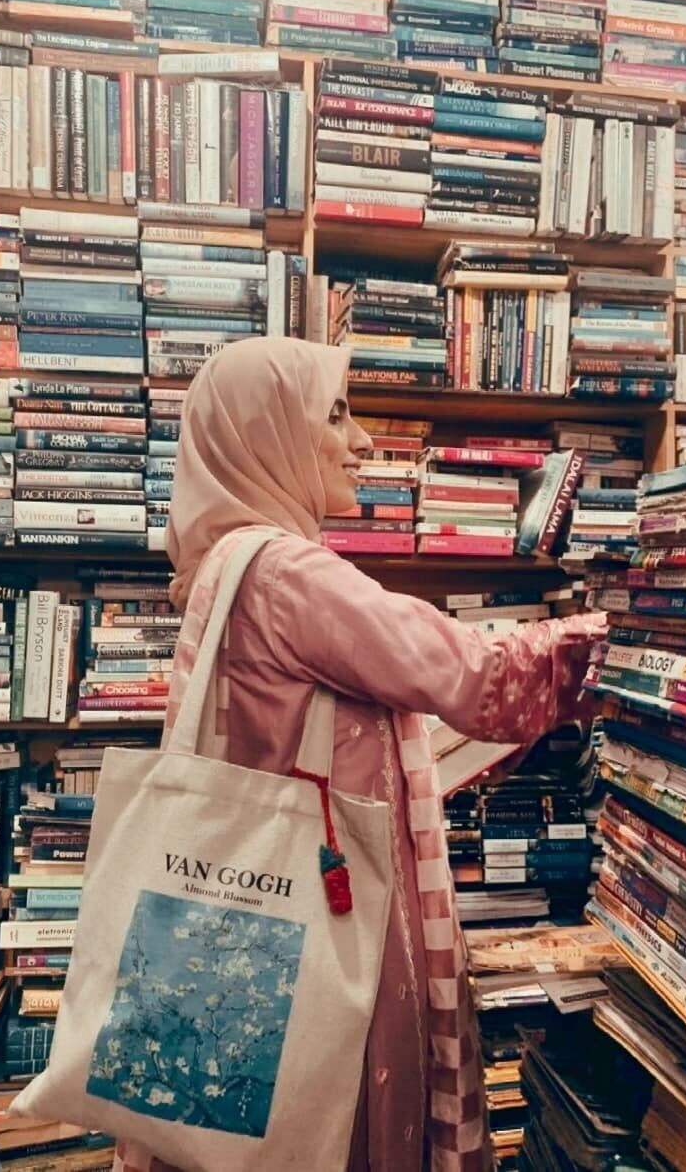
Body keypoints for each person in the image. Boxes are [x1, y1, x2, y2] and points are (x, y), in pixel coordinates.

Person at [112, 337, 606, 1172]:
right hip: (329, 935)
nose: (363, 441)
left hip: (252, 925)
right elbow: (465, 669)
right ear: (267, 433)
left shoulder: (219, 570)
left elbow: (328, 736)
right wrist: (619, 640)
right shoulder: (281, 571)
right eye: (334, 414)